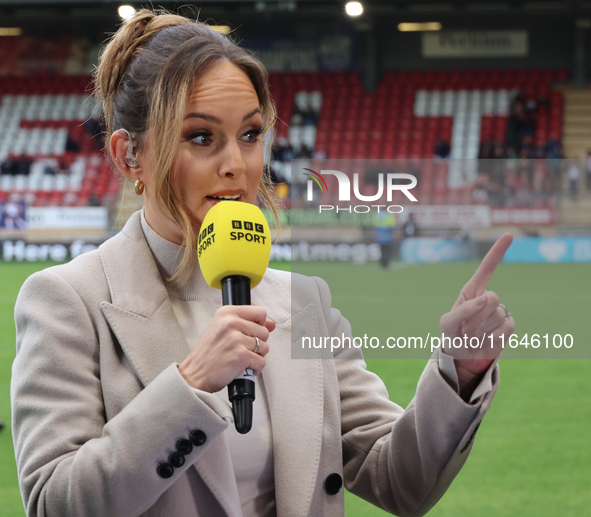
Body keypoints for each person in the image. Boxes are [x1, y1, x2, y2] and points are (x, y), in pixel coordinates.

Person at [11, 10, 516, 517]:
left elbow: (400, 481)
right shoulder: (66, 300)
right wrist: (189, 385)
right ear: (128, 156)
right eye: (201, 137)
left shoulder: (303, 300)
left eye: (250, 135)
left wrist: (458, 371)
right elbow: (55, 503)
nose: (238, 164)